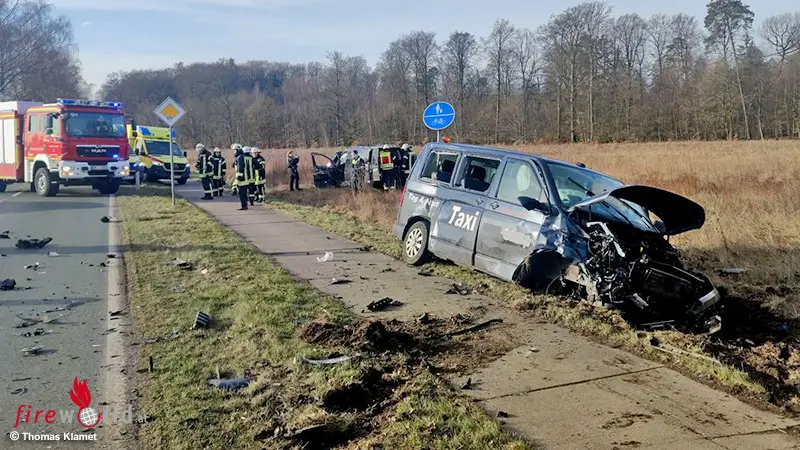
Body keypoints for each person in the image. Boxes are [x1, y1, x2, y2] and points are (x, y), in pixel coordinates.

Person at [235, 146, 254, 210]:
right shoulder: (241, 157)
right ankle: (244, 205)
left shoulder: (240, 157)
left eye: (234, 150)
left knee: (242, 193)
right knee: (243, 193)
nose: (234, 151)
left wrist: (239, 178)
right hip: (245, 178)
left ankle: (244, 206)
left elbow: (240, 168)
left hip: (242, 179)